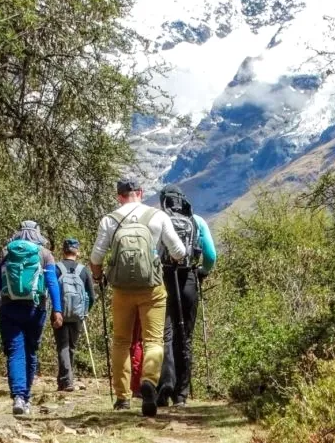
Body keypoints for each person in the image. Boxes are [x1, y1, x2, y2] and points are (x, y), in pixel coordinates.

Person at [90, 178, 186, 417]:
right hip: (152, 287)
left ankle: (122, 398)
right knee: (153, 340)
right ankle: (149, 382)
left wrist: (97, 275)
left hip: (122, 289)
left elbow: (96, 257)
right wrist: (172, 260)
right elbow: (178, 251)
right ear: (141, 193)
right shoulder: (157, 216)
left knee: (121, 341)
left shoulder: (109, 220)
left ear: (118, 196)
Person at [0, 220, 64, 415]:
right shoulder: (45, 254)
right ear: (38, 234)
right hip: (36, 309)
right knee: (31, 351)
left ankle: (19, 397)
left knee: (14, 351)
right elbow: (52, 283)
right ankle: (25, 397)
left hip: (8, 308)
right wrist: (58, 309)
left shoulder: (6, 253)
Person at [156, 184, 217, 408]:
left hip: (164, 278)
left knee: (165, 334)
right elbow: (210, 255)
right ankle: (181, 395)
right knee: (186, 335)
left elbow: (153, 252)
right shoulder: (197, 221)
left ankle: (164, 387)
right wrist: (202, 272)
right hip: (189, 278)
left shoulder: (159, 219)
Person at [54, 238, 96, 392]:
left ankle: (66, 381)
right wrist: (85, 311)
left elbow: (50, 291)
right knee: (71, 346)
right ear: (77, 251)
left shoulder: (56, 268)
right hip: (78, 315)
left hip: (60, 313)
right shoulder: (83, 270)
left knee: (62, 346)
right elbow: (91, 296)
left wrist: (54, 311)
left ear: (63, 250)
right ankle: (66, 380)